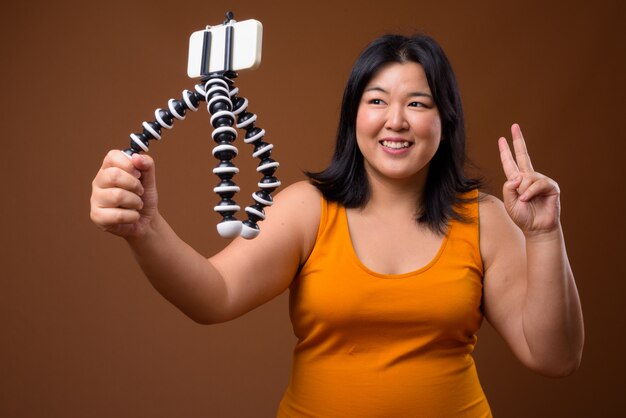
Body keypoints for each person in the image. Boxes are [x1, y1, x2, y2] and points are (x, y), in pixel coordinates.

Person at [90, 34, 584, 417]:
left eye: (418, 102)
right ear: (353, 117)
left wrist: (544, 235)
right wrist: (145, 228)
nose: (396, 120)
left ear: (445, 119)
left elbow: (555, 358)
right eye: (376, 100)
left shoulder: (485, 218)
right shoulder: (308, 209)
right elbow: (214, 294)